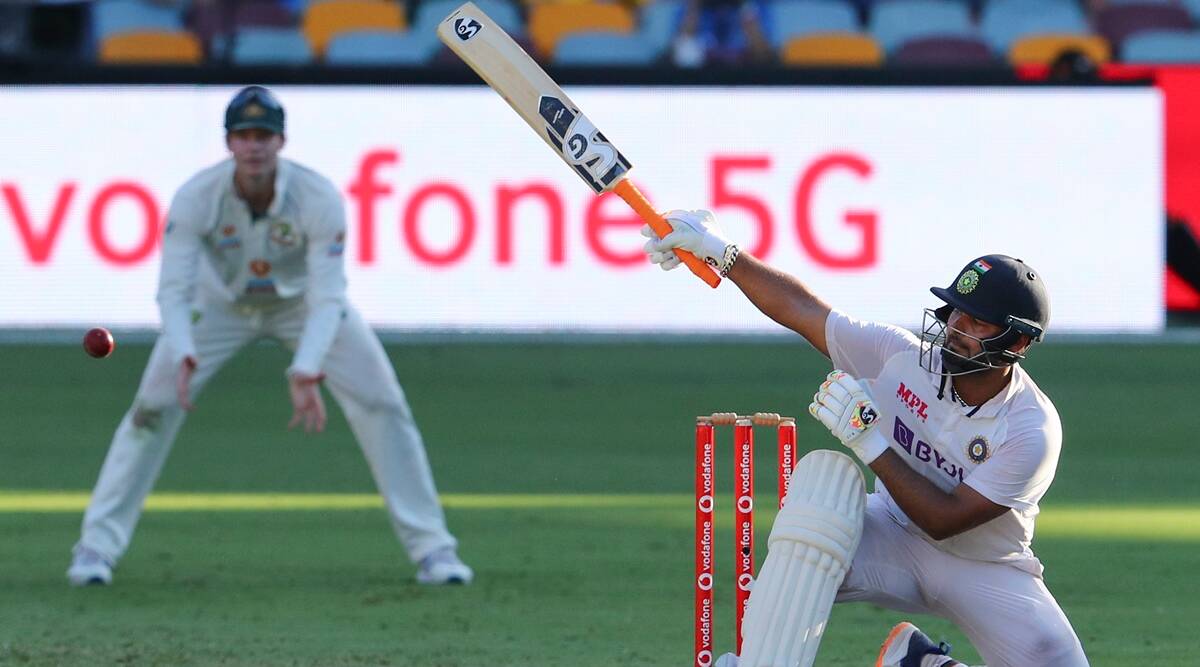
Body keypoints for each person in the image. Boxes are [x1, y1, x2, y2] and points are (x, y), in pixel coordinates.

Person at [67, 86, 472, 588]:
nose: (253, 146)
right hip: (215, 307)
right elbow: (173, 290)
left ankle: (434, 550)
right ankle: (95, 549)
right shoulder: (196, 197)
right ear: (228, 143)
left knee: (383, 402)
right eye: (243, 135)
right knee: (149, 411)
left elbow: (329, 298)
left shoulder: (318, 197)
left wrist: (307, 366)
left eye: (263, 135)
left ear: (281, 141)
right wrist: (185, 350)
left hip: (302, 306)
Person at [643, 211, 1089, 666]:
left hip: (984, 566)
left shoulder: (1031, 429)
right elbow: (806, 313)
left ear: (1017, 343)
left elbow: (946, 519)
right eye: (959, 312)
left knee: (1057, 660)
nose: (957, 328)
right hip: (888, 534)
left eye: (979, 324)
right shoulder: (898, 357)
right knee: (812, 529)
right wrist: (725, 255)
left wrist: (870, 442)